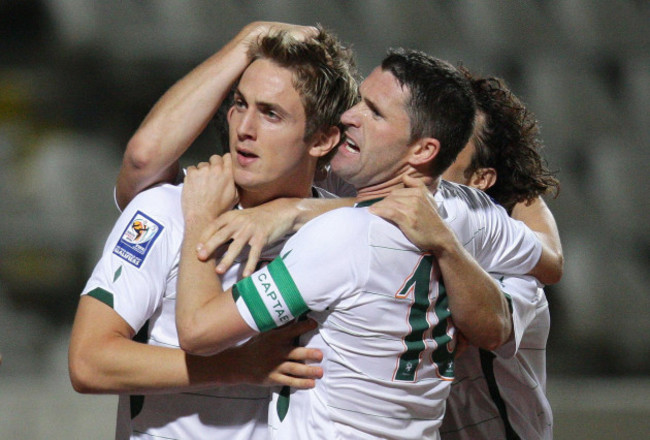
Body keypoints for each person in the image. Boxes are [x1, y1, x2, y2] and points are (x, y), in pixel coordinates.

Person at [174, 49, 544, 439]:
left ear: (422, 151)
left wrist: (199, 218)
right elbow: (547, 260)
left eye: (374, 112)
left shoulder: (339, 238)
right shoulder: (466, 211)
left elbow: (198, 331)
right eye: (359, 101)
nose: (350, 116)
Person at [68, 21, 359, 440]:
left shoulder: (343, 229)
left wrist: (295, 210)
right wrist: (235, 367)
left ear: (322, 139)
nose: (243, 128)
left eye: (271, 113)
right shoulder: (167, 210)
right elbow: (88, 361)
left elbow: (418, 212)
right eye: (240, 104)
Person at [370, 70, 562, 439]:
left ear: (480, 179)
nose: (428, 145)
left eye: (454, 138)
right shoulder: (388, 228)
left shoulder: (512, 268)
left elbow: (484, 331)